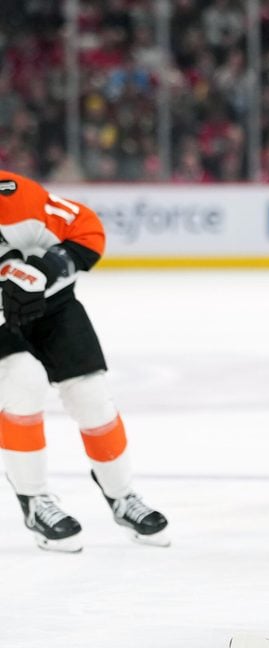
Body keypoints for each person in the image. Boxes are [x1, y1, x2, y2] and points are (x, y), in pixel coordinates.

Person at [0, 170, 169, 552]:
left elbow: (88, 230)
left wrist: (44, 271)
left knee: (91, 396)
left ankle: (122, 495)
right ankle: (34, 499)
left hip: (54, 308)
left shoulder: (15, 198)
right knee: (23, 383)